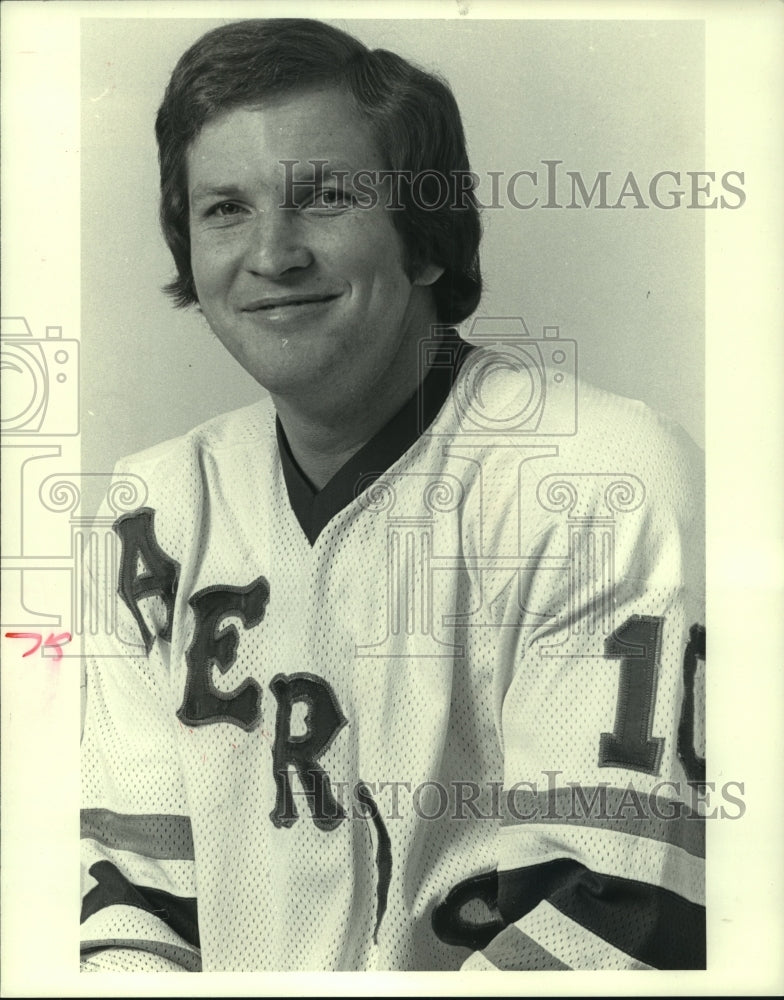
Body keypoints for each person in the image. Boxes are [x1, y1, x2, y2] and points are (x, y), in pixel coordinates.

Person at [80, 17, 705, 972]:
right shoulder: (151, 514)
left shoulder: (597, 478)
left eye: (322, 198)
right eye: (225, 209)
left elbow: (630, 909)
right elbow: (131, 898)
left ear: (426, 239)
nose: (272, 253)